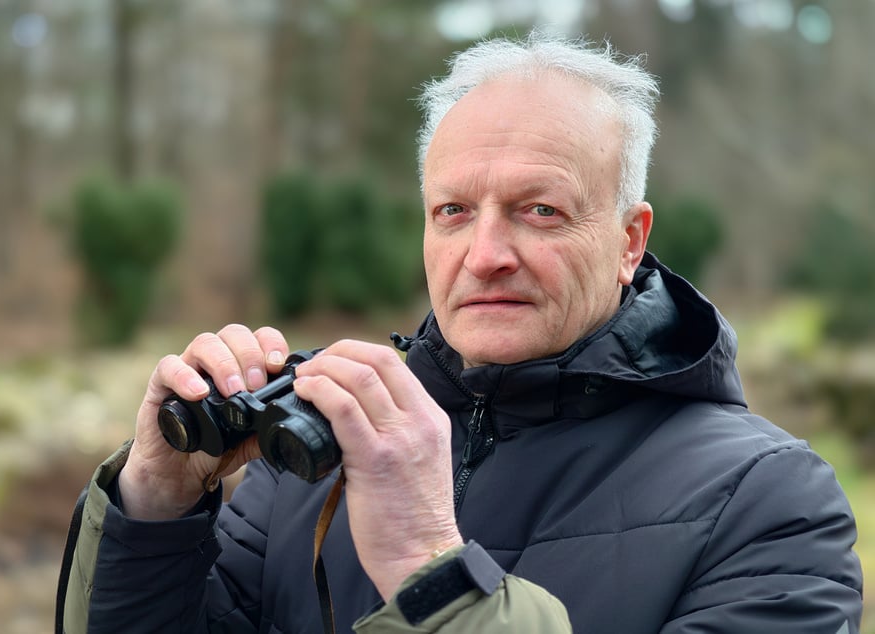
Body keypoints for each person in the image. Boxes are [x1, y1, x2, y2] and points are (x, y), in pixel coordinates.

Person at [58, 31, 863, 633]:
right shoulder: (306, 460)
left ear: (628, 240)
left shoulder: (771, 503)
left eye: (538, 211)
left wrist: (428, 570)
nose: (483, 256)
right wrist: (153, 512)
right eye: (452, 212)